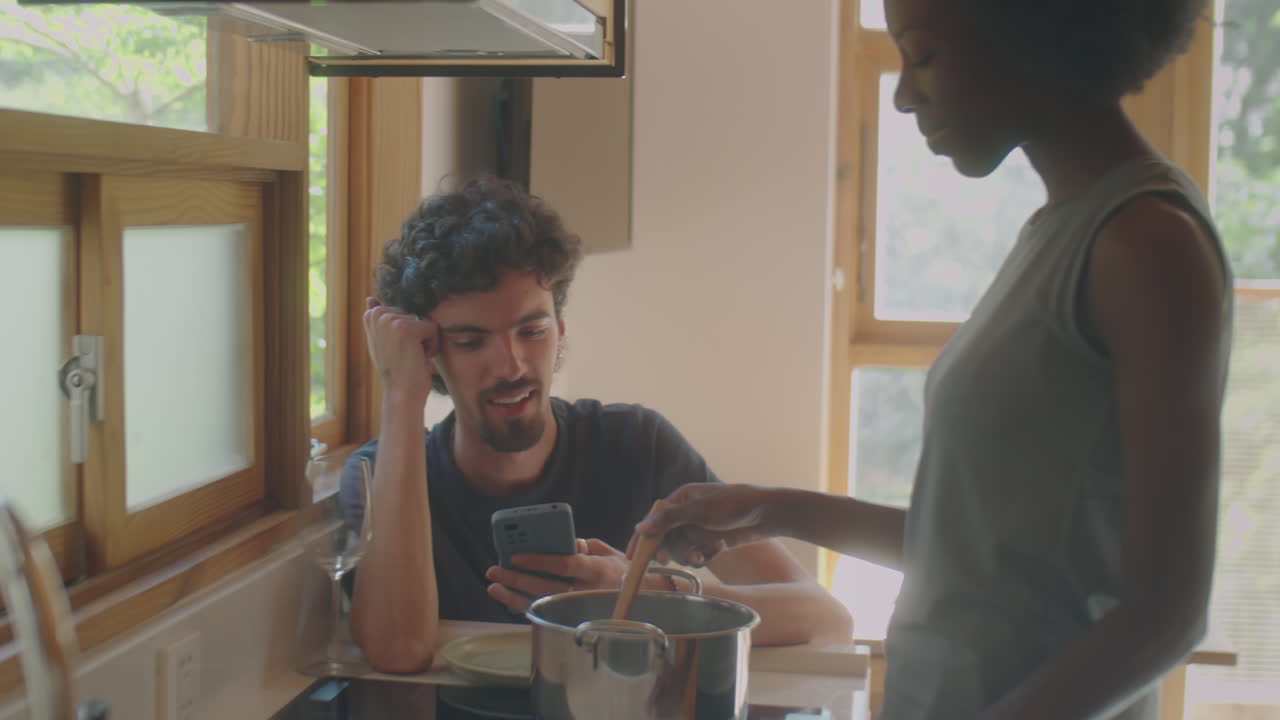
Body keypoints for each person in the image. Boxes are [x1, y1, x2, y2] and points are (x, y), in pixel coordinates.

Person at [636, 1, 1232, 718]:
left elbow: (1166, 615)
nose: (903, 94)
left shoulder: (1147, 244)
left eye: (920, 56)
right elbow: (983, 554)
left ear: (1030, 31)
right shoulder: (1061, 228)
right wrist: (774, 508)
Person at [342, 176, 852, 673]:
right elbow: (398, 650)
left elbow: (824, 617)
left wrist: (644, 593)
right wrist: (401, 396)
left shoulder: (635, 446)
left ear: (560, 331)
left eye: (532, 331)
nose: (511, 365)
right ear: (430, 354)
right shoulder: (380, 475)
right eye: (471, 341)